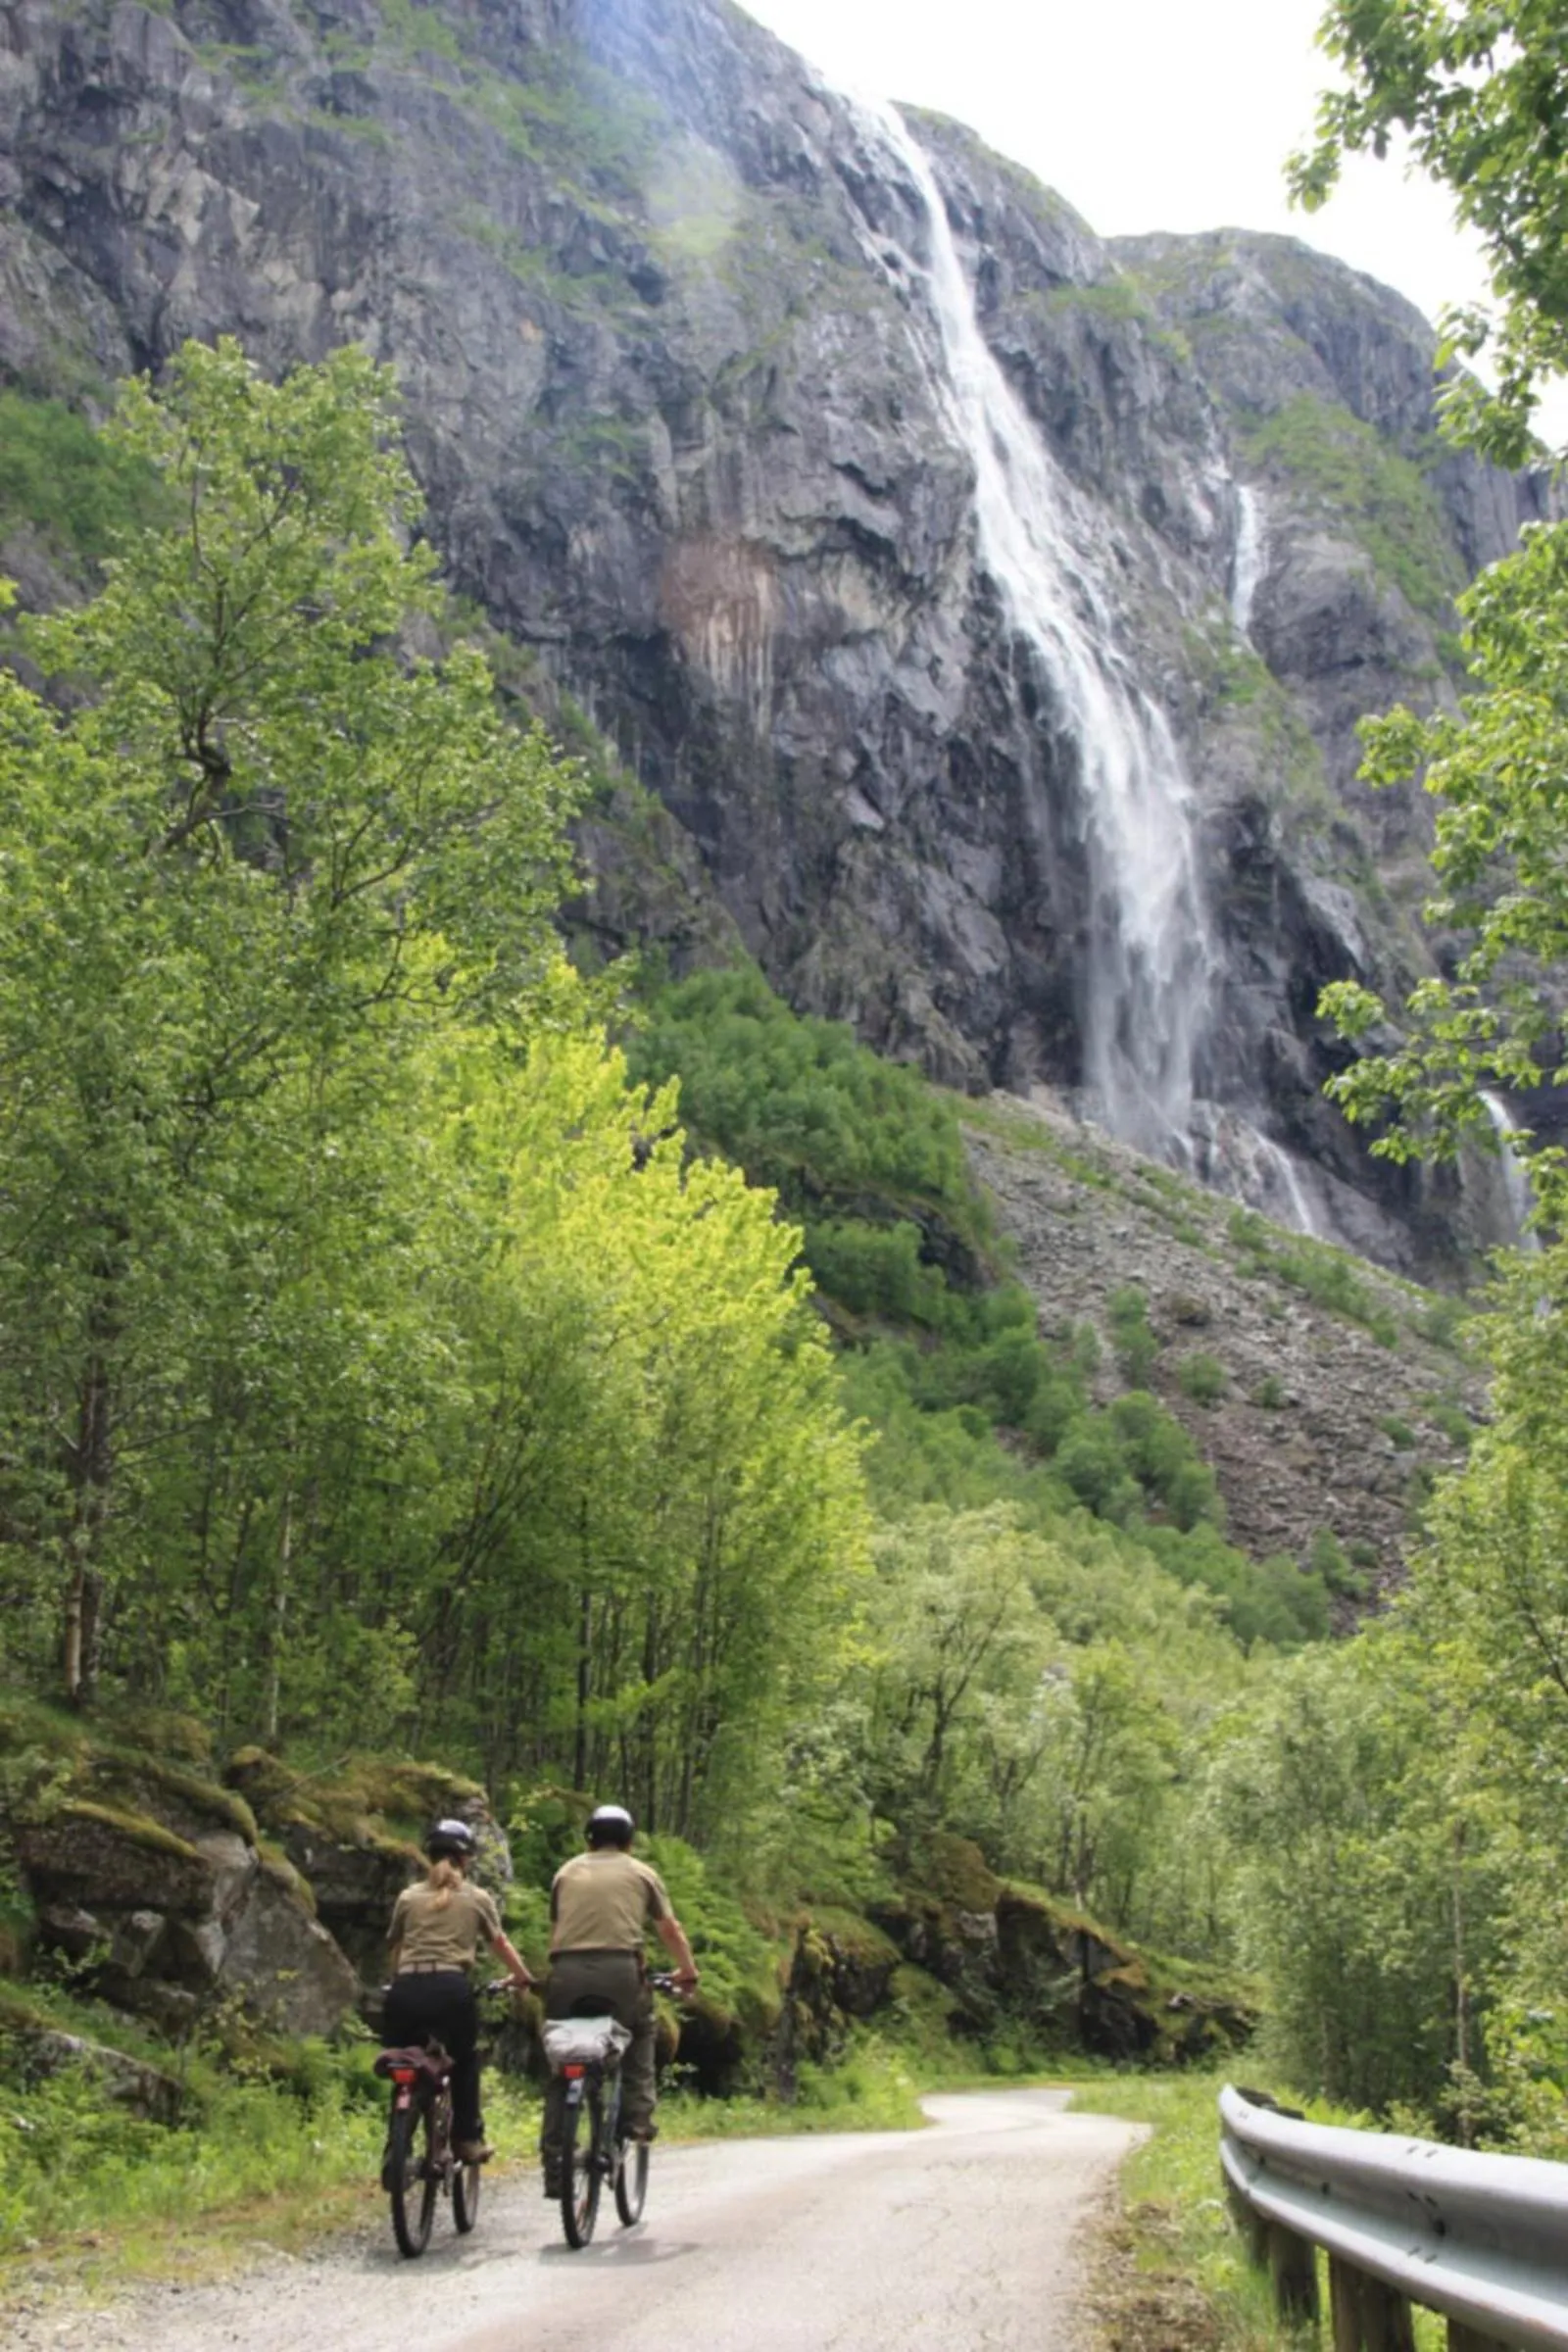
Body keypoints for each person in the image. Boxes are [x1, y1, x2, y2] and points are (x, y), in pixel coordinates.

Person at [540, 1803, 699, 2193]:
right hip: (620, 1971)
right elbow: (669, 1929)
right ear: (629, 1841)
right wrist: (687, 1971)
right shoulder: (642, 1873)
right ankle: (638, 2119)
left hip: (565, 1972)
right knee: (642, 2029)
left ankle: (555, 2161)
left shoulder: (566, 1872)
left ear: (589, 1840)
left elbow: (556, 1931)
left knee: (562, 2060)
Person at [384, 1817, 533, 2163]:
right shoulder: (476, 1898)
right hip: (450, 1990)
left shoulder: (408, 1897)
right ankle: (466, 2138)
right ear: (465, 1859)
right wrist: (523, 1977)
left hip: (405, 1991)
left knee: (405, 2062)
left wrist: (397, 1981)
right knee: (464, 2062)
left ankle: (397, 2142)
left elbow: (396, 1945)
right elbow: (500, 1944)